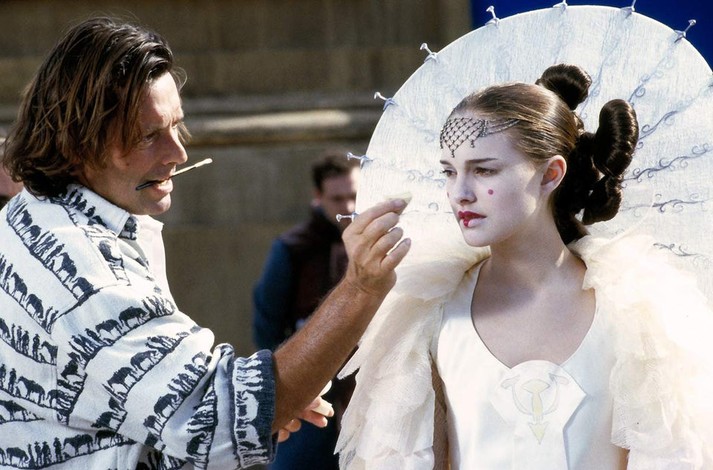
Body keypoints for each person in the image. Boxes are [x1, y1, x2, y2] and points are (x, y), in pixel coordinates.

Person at [0, 16, 410, 469]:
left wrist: (272, 393)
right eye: (148, 136)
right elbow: (215, 420)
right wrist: (360, 288)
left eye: (176, 126)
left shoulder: (32, 214)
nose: (177, 153)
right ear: (79, 143)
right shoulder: (79, 269)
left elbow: (139, 424)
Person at [337, 64, 713, 469]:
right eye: (449, 171)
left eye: (484, 169)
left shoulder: (642, 312)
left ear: (550, 174)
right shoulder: (426, 314)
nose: (459, 193)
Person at [253, 151, 359, 469]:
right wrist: (293, 386)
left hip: (366, 390)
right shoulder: (292, 248)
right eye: (337, 198)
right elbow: (267, 328)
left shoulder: (371, 242)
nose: (348, 207)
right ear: (318, 196)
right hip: (310, 396)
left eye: (353, 196)